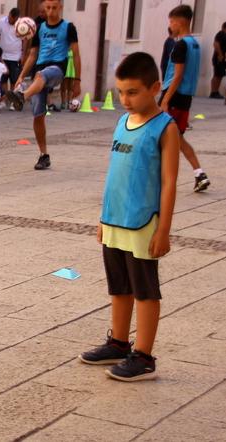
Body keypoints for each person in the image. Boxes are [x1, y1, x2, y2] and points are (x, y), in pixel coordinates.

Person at [79, 52, 179, 382]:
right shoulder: (122, 122)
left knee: (145, 290)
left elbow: (168, 183)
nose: (125, 99)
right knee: (119, 286)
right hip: (115, 219)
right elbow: (115, 174)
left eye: (133, 92)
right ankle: (119, 342)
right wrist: (103, 219)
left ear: (155, 87)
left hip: (142, 223)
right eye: (121, 92)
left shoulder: (165, 128)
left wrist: (163, 230)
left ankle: (145, 356)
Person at [5, 0, 80, 170]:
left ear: (60, 7)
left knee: (42, 75)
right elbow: (32, 55)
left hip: (57, 69)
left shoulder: (68, 27)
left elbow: (76, 55)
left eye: (54, 8)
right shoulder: (39, 28)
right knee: (38, 116)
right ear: (44, 9)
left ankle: (22, 96)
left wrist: (77, 80)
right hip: (40, 70)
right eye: (48, 8)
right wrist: (21, 76)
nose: (51, 11)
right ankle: (43, 155)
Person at [160, 5, 210, 192]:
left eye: (171, 21)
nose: (170, 25)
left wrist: (165, 100)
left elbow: (178, 75)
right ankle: (199, 173)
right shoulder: (196, 44)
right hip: (186, 98)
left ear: (179, 22)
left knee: (159, 136)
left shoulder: (180, 45)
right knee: (178, 139)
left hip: (173, 97)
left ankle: (160, 178)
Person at [0, 8, 23, 93]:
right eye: (10, 19)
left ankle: (13, 101)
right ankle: (5, 99)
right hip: (3, 56)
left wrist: (23, 54)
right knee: (3, 80)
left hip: (16, 57)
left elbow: (25, 40)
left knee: (14, 80)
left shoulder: (22, 24)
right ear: (9, 15)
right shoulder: (1, 22)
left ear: (17, 18)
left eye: (14, 20)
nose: (12, 21)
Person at [210, 22, 226, 99]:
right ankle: (213, 92)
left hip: (222, 58)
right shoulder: (220, 34)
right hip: (218, 58)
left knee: (220, 75)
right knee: (217, 74)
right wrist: (220, 54)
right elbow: (216, 44)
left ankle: (216, 91)